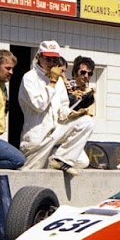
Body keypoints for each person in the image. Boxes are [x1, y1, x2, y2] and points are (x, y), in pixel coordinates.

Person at [18, 41, 93, 172]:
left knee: (86, 123)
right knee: (30, 173)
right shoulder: (30, 78)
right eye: (48, 59)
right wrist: (52, 83)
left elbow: (63, 106)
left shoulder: (58, 81)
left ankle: (61, 159)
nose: (51, 62)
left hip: (56, 132)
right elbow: (39, 105)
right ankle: (51, 159)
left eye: (54, 59)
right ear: (39, 57)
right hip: (38, 138)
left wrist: (72, 114)